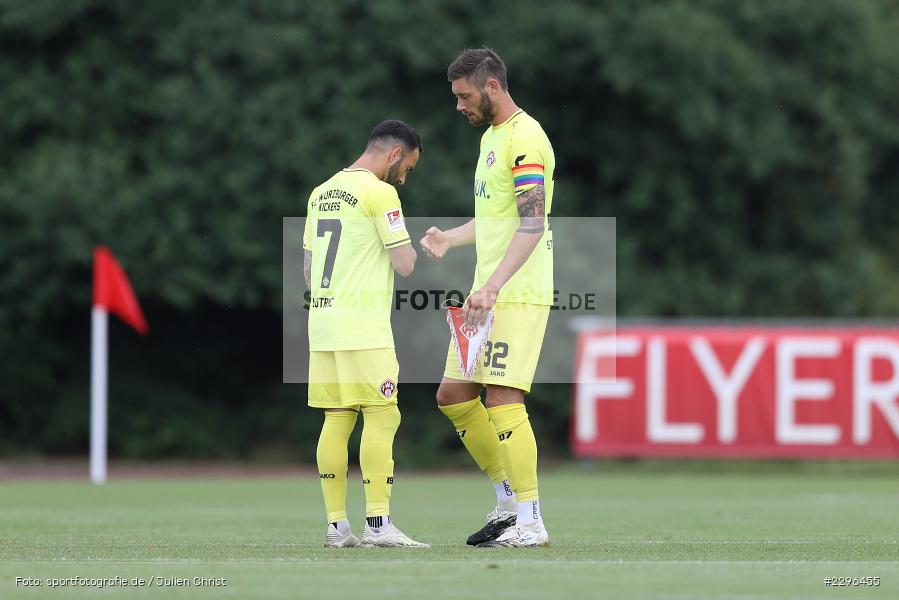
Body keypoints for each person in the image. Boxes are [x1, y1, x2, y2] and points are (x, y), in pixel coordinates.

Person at [421, 48, 554, 548]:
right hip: (488, 295)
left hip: (517, 293)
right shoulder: (492, 139)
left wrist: (494, 285)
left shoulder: (526, 139)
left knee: (502, 397)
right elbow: (497, 218)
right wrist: (451, 238)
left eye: (464, 95)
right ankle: (506, 503)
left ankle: (531, 519)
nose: (458, 105)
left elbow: (532, 221)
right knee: (453, 395)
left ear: (492, 86)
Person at [304, 120, 428, 548]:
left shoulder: (320, 192)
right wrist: (419, 244)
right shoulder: (381, 193)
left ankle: (337, 526)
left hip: (321, 324)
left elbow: (307, 269)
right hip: (362, 327)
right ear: (395, 154)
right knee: (382, 413)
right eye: (407, 168)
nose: (404, 177)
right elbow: (405, 263)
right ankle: (378, 524)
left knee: (336, 418)